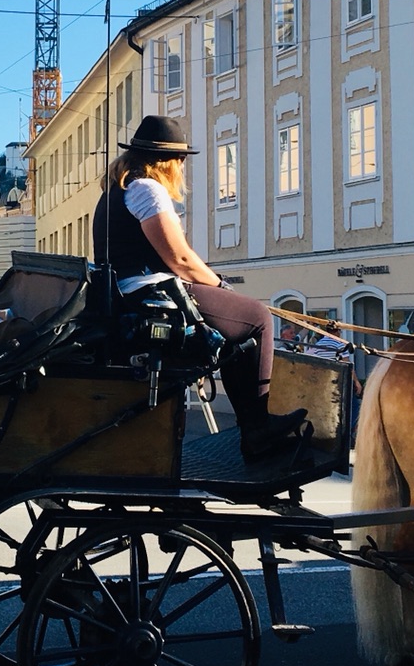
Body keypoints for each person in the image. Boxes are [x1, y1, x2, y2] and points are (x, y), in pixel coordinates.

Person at [93, 115, 307, 460]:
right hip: (152, 296)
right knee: (258, 317)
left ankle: (251, 425)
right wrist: (221, 286)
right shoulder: (147, 189)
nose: (182, 168)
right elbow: (181, 260)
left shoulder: (117, 191)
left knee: (238, 333)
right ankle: (257, 428)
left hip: (129, 295)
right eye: (181, 160)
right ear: (169, 161)